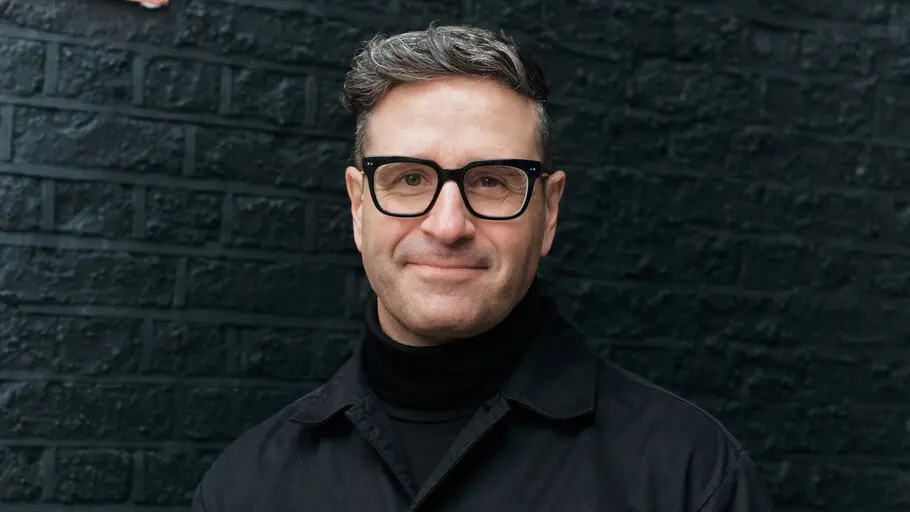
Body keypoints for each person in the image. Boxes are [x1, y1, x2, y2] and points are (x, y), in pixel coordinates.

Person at [191, 24, 775, 511]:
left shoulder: (690, 480)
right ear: (358, 205)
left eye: (492, 181)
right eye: (409, 178)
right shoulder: (244, 489)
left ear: (548, 212)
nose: (448, 225)